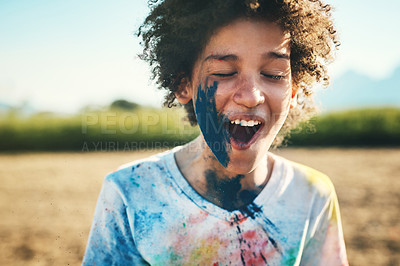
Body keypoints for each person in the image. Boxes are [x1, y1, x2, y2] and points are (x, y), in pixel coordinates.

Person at [83, 0, 348, 265]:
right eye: (224, 72)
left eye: (273, 74)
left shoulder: (312, 195)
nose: (251, 96)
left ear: (293, 91)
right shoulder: (130, 194)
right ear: (183, 84)